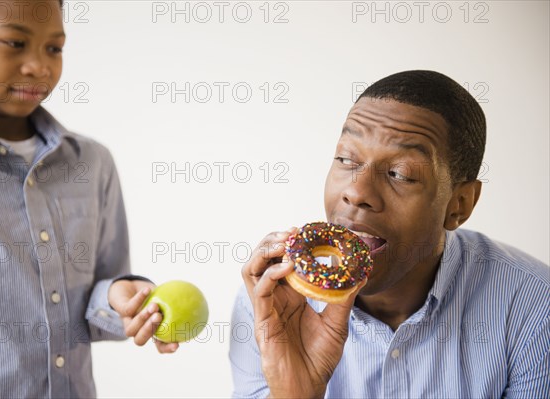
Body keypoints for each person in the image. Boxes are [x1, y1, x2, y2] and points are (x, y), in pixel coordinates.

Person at [230, 70, 550, 398]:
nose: (357, 192)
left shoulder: (535, 308)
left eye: (400, 173)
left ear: (459, 204)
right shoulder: (271, 296)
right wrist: (295, 392)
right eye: (345, 159)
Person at [0, 1, 174, 397]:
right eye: (15, 42)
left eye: (54, 48)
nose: (39, 66)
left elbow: (96, 307)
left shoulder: (92, 162)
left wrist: (123, 299)